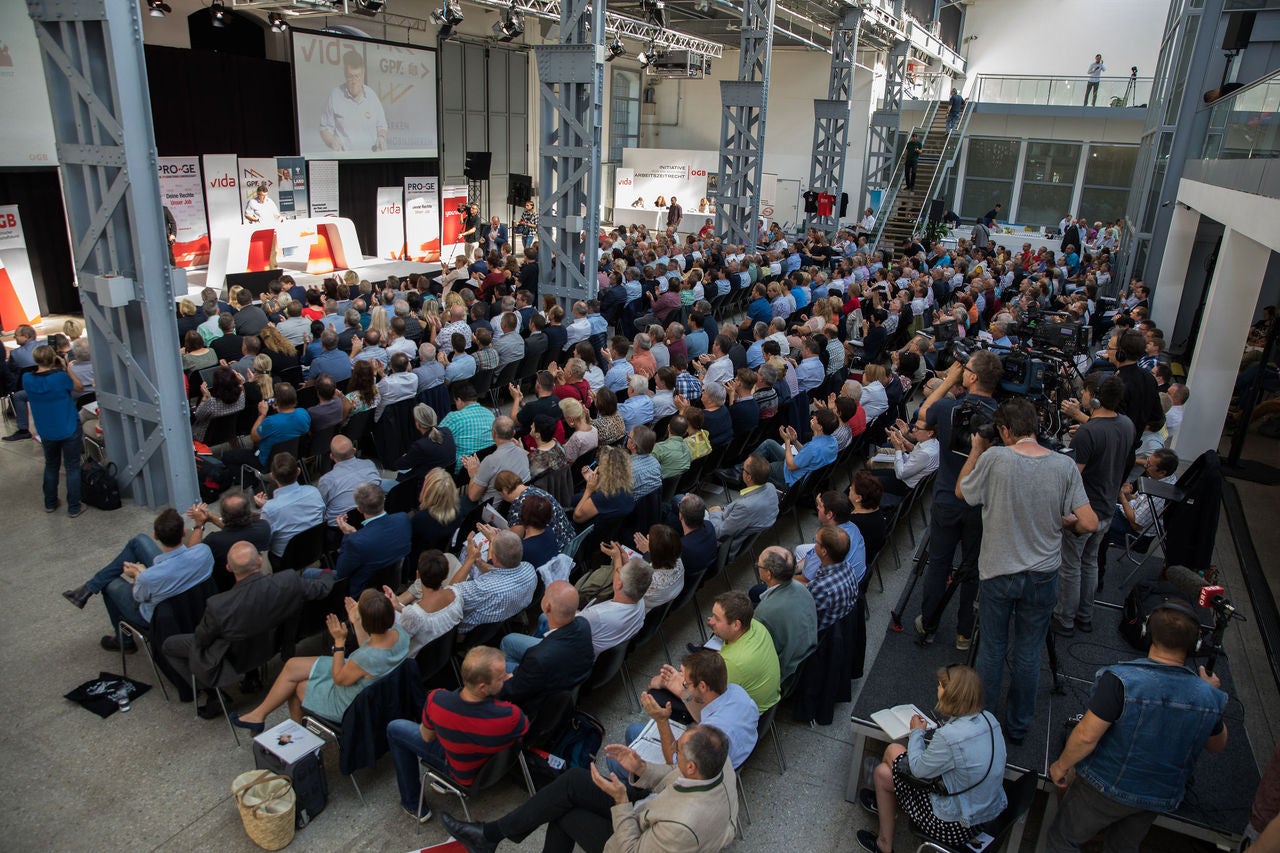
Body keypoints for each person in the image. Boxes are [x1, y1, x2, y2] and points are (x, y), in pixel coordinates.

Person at [957, 398, 1096, 745]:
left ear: (1005, 430)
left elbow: (963, 491)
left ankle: (983, 726)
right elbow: (1089, 522)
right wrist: (1067, 523)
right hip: (1043, 575)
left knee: (992, 649)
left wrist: (976, 449)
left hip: (998, 572)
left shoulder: (995, 458)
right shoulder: (1063, 465)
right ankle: (1018, 726)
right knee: (1029, 653)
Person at [1046, 601, 1227, 851]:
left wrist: (1061, 766)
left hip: (1107, 785)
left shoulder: (1120, 680)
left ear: (1146, 632)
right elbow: (1217, 745)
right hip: (1158, 795)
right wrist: (1211, 698)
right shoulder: (1209, 695)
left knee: (1063, 839)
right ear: (1196, 644)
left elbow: (1086, 736)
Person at [441, 723, 738, 853]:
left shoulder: (681, 825)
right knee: (573, 780)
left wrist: (621, 801)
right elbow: (675, 777)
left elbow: (631, 850)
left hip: (643, 839)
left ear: (691, 767)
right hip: (653, 815)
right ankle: (489, 835)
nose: (672, 749)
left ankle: (488, 837)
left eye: (678, 750)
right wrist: (641, 768)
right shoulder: (717, 761)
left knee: (564, 813)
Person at [162, 542, 333, 715]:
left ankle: (210, 692)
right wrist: (327, 572)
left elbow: (201, 640)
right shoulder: (288, 581)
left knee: (169, 645)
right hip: (273, 646)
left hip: (235, 660)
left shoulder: (219, 606)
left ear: (229, 568)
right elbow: (323, 588)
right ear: (260, 560)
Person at [857, 665, 1008, 853]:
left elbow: (917, 769)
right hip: (985, 815)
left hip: (954, 826)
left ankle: (884, 843)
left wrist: (916, 732)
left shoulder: (950, 736)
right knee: (882, 773)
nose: (937, 688)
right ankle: (883, 836)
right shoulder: (990, 719)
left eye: (941, 685)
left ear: (952, 696)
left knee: (893, 751)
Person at [915, 352, 1002, 649]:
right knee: (972, 567)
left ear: (972, 377)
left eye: (965, 369)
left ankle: (929, 623)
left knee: (939, 563)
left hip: (947, 498)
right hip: (981, 503)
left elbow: (924, 414)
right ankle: (964, 632)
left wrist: (948, 380)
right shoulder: (1002, 417)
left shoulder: (948, 408)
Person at [230, 588, 408, 733]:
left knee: (297, 688)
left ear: (367, 623)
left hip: (351, 703)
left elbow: (339, 678)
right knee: (292, 665)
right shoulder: (400, 633)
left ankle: (301, 744)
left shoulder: (366, 657)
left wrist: (339, 641)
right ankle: (258, 715)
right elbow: (368, 647)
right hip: (371, 684)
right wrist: (356, 622)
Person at [387, 646, 530, 823]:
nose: (508, 677)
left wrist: (443, 724)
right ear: (483, 687)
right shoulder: (511, 715)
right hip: (490, 765)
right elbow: (521, 731)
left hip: (460, 771)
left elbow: (427, 737)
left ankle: (412, 803)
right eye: (501, 678)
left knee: (394, 728)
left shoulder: (437, 699)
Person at [62, 509, 214, 651]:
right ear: (183, 532)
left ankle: (123, 641)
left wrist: (137, 576)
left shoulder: (148, 578)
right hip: (194, 604)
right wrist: (199, 525)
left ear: (156, 536)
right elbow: (190, 553)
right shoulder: (205, 552)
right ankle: (88, 588)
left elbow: (139, 598)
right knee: (139, 541)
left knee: (108, 584)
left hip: (158, 617)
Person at [1054, 375, 1134, 637]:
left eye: (1085, 392)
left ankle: (1064, 618)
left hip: (1083, 512)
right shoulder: (1126, 424)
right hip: (1106, 509)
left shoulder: (1088, 433)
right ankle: (1084, 617)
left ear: (1095, 396)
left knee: (1070, 566)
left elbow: (1072, 477)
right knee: (1090, 563)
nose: (1082, 396)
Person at [623, 650, 758, 776]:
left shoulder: (707, 734)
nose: (684, 686)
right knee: (634, 730)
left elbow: (674, 762)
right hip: (736, 756)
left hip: (699, 777)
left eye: (686, 684)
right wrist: (684, 692)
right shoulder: (737, 692)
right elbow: (702, 717)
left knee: (623, 754)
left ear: (702, 686)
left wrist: (661, 720)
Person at [498, 580, 595, 713]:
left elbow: (512, 691)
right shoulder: (583, 624)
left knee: (496, 670)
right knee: (510, 640)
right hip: (566, 672)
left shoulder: (537, 658)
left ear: (547, 606)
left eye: (545, 594)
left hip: (540, 703)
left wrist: (512, 677)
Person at [20, 345, 85, 515]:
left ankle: (50, 503)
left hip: (46, 429)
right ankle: (74, 507)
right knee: (72, 466)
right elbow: (79, 387)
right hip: (68, 425)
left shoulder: (27, 378)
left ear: (36, 359)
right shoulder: (60, 377)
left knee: (51, 465)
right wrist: (66, 367)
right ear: (53, 358)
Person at [322, 483, 412, 596]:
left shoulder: (354, 542)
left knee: (309, 573)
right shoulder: (403, 519)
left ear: (359, 509)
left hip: (364, 594)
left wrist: (349, 535)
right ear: (384, 499)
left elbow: (341, 573)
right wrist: (354, 534)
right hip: (394, 582)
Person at [451, 530, 539, 634]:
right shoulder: (529, 569)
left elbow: (450, 593)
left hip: (463, 629)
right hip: (501, 620)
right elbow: (499, 571)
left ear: (494, 559)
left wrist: (470, 559)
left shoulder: (482, 588)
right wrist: (478, 562)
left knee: (450, 559)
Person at [752, 547, 818, 683]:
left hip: (785, 675)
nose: (757, 567)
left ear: (768, 574)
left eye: (759, 565)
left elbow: (757, 654)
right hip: (808, 661)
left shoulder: (763, 612)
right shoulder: (803, 589)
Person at [184, 492, 273, 591]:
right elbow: (235, 527)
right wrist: (211, 517)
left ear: (223, 515)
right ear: (249, 511)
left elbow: (191, 557)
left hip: (227, 588)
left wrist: (199, 524)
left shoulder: (214, 541)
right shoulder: (263, 527)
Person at [387, 550, 464, 656]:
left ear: (417, 575)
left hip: (412, 658)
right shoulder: (457, 595)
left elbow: (396, 644)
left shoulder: (414, 615)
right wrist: (398, 606)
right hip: (441, 653)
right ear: (446, 576)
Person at [255, 453, 325, 563]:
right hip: (317, 549)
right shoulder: (313, 491)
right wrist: (269, 505)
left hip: (286, 561)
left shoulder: (269, 509)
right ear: (298, 471)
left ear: (272, 476)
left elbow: (266, 541)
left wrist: (267, 507)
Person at [752, 408, 840, 489]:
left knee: (760, 468)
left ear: (820, 427)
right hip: (799, 467)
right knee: (769, 443)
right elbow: (808, 455)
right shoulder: (833, 442)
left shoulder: (813, 447)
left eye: (815, 419)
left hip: (790, 476)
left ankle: (747, 473)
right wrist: (794, 441)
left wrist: (787, 441)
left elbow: (790, 466)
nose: (812, 419)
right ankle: (745, 468)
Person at [319, 50, 388, 152]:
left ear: (363, 73)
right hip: (345, 158)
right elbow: (324, 129)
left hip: (371, 157)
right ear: (345, 74)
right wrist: (332, 141)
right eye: (350, 77)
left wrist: (381, 137)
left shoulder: (372, 96)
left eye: (357, 76)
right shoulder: (335, 96)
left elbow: (382, 125)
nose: (354, 81)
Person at [706, 453, 778, 548]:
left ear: (749, 477)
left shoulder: (745, 506)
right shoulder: (770, 487)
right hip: (740, 522)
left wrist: (715, 512)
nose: (741, 470)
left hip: (724, 544)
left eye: (743, 469)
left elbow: (719, 533)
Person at [572, 445, 636, 525]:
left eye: (601, 465)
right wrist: (595, 482)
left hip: (586, 529)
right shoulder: (626, 489)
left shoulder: (602, 497)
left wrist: (589, 490)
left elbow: (577, 517)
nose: (598, 468)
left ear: (607, 471)